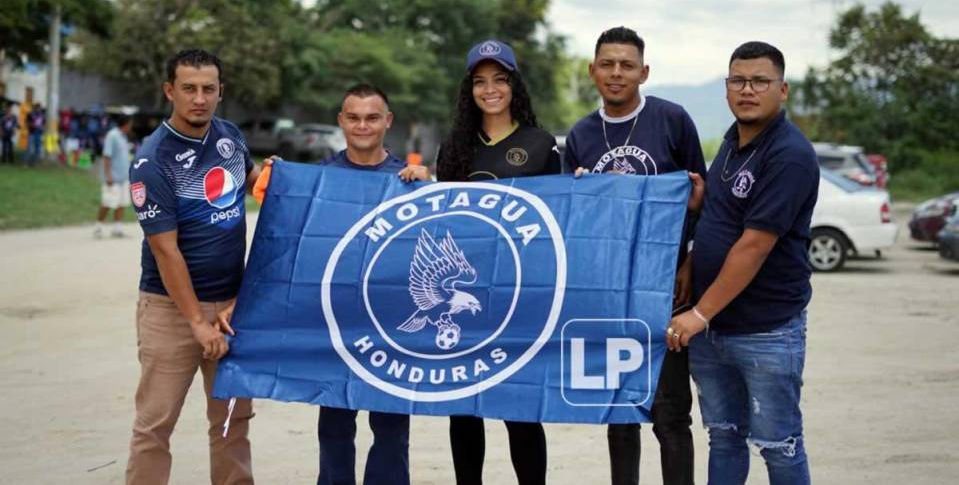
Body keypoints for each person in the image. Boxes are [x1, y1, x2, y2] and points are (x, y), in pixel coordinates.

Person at [666, 41, 818, 485]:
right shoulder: (733, 142)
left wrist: (697, 314)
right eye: (738, 80)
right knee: (725, 437)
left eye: (759, 81)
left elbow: (754, 245)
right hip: (716, 331)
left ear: (783, 89)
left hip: (766, 330)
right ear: (727, 87)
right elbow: (721, 216)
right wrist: (693, 257)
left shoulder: (789, 154)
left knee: (779, 444)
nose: (747, 90)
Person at [564, 26, 706, 485]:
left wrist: (689, 258)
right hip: (610, 292)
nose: (617, 73)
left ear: (644, 72)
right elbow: (573, 220)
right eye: (607, 64)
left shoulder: (672, 119)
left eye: (627, 65)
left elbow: (700, 198)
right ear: (592, 71)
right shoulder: (581, 135)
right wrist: (582, 193)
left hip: (667, 286)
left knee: (669, 412)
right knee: (620, 410)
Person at [125, 49, 264, 485]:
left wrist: (274, 175)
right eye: (189, 88)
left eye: (208, 89)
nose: (199, 98)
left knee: (231, 423)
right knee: (154, 426)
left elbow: (255, 183)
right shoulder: (152, 161)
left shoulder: (230, 137)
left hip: (232, 309)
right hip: (171, 310)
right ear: (170, 91)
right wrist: (197, 323)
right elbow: (167, 252)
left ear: (221, 91)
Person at [286, 83, 429, 485]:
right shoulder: (321, 180)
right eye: (353, 117)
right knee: (333, 424)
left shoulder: (408, 180)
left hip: (390, 324)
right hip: (336, 323)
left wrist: (428, 186)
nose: (362, 125)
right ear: (341, 121)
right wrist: (282, 182)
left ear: (388, 121)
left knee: (391, 427)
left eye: (371, 117)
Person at [436, 39, 560, 485]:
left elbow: (558, 223)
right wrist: (415, 182)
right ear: (469, 89)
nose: (490, 89)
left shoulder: (542, 144)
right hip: (467, 297)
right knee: (464, 407)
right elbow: (442, 219)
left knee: (520, 407)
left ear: (514, 86)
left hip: (519, 296)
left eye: (500, 80)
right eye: (480, 81)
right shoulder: (454, 146)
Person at [94, 114, 133, 238]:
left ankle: (117, 229)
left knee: (122, 203)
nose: (131, 126)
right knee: (107, 202)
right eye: (130, 124)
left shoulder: (123, 137)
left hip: (123, 177)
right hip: (113, 177)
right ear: (125, 124)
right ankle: (98, 227)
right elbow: (107, 156)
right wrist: (108, 175)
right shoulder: (112, 135)